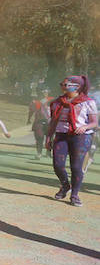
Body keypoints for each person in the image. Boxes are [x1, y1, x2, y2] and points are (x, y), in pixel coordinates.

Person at [47, 75, 97, 206]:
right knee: (57, 165)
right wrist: (48, 137)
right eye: (61, 84)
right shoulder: (57, 102)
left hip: (80, 136)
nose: (62, 86)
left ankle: (74, 195)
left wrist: (85, 127)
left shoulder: (87, 102)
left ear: (77, 86)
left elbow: (94, 123)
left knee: (76, 167)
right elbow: (52, 122)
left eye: (65, 84)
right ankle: (65, 186)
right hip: (61, 135)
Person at [27, 90, 52, 159]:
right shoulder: (36, 102)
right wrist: (28, 119)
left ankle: (48, 152)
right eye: (42, 92)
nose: (44, 94)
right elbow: (31, 111)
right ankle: (39, 153)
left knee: (49, 138)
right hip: (39, 121)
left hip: (49, 122)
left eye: (45, 92)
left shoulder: (52, 100)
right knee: (39, 137)